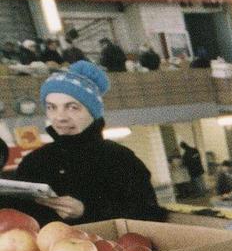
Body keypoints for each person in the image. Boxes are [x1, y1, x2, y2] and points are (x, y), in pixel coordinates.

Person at [11, 61, 162, 225]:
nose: (60, 117)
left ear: (93, 112)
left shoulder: (121, 158)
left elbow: (151, 215)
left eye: (72, 107)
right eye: (51, 107)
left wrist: (86, 210)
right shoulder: (34, 162)